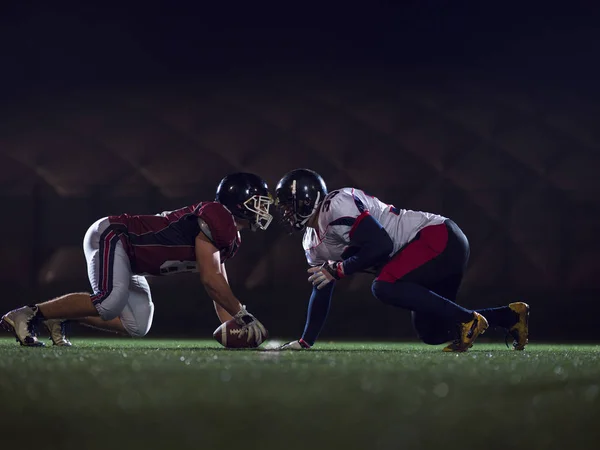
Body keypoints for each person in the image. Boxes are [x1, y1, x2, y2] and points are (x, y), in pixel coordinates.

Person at [1, 173, 272, 347]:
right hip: (114, 234)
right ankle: (28, 314)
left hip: (130, 257)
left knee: (138, 324)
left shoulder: (228, 237)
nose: (264, 209)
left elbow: (219, 290)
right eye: (259, 201)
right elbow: (211, 280)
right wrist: (243, 314)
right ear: (239, 203)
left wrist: (236, 326)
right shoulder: (216, 217)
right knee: (109, 302)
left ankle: (59, 318)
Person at [274, 168, 529, 352]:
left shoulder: (335, 205)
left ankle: (468, 320)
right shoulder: (312, 241)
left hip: (438, 237)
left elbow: (381, 246)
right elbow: (322, 287)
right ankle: (508, 317)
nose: (285, 212)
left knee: (384, 286)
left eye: (288, 204)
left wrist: (340, 269)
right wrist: (306, 341)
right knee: (433, 332)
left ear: (308, 199)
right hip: (428, 252)